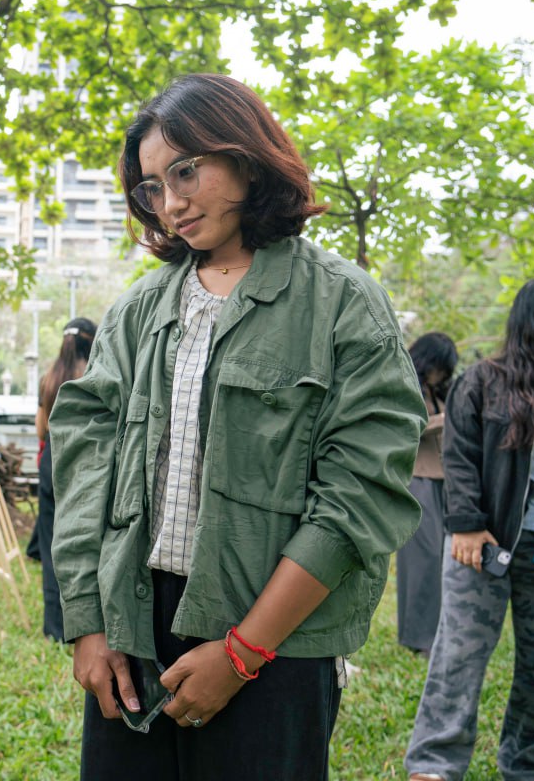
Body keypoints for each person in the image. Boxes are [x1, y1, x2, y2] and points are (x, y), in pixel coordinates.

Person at [49, 73, 426, 780]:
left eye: (187, 170)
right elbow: (84, 464)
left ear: (247, 156)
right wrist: (89, 625)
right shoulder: (137, 311)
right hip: (137, 623)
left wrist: (243, 652)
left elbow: (360, 495)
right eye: (154, 187)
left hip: (278, 631)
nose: (172, 202)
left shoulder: (344, 303)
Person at [405, 277, 534, 781]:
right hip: (482, 546)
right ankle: (435, 766)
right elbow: (459, 457)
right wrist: (465, 525)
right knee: (457, 660)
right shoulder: (484, 380)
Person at [32, 316, 96, 642]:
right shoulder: (95, 373)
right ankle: (81, 624)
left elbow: (41, 428)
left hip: (49, 465)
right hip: (83, 468)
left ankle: (54, 628)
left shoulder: (49, 377)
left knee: (50, 547)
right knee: (81, 548)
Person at [396, 331, 460, 655]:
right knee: (424, 560)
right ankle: (418, 640)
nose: (443, 374)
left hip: (445, 483)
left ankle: (438, 634)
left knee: (443, 561)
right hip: (417, 481)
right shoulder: (405, 384)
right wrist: (444, 419)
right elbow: (406, 427)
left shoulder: (441, 391)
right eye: (440, 367)